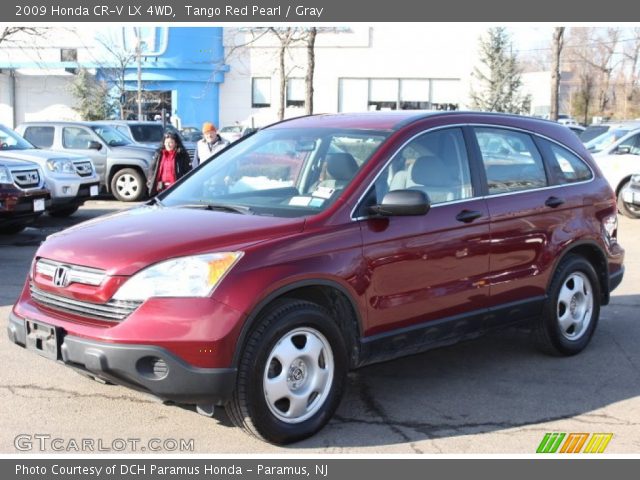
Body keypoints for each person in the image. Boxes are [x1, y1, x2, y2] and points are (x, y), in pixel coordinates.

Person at [147, 131, 192, 197]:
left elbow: (188, 171)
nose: (168, 145)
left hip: (176, 188)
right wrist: (150, 181)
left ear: (176, 143)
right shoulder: (159, 154)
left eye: (171, 142)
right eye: (166, 142)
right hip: (161, 188)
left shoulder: (182, 155)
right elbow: (152, 168)